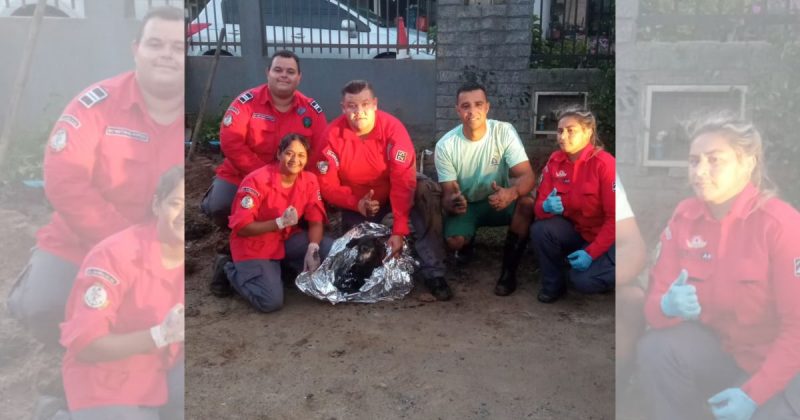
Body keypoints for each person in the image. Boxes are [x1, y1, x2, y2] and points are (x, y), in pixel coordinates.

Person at [7, 6, 185, 348]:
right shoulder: (95, 107)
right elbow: (65, 183)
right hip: (85, 242)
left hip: (165, 250)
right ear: (136, 49)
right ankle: (66, 339)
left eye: (178, 48)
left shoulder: (189, 119)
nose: (166, 55)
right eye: (156, 44)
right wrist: (126, 246)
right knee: (43, 305)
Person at [638, 114, 800, 420]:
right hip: (723, 352)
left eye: (715, 160)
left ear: (748, 163)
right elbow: (653, 307)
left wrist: (754, 395)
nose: (700, 171)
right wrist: (666, 307)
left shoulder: (781, 225)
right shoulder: (685, 218)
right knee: (656, 349)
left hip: (781, 364)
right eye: (693, 160)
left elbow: (797, 331)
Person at [60, 166, 185, 420]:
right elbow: (86, 345)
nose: (183, 214)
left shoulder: (186, 255)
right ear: (156, 205)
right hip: (109, 379)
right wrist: (159, 335)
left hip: (163, 369)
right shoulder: (115, 255)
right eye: (175, 203)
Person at [201, 50, 327, 297]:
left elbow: (319, 150)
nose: (283, 75)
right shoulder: (246, 103)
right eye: (278, 70)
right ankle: (237, 250)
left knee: (310, 211)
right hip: (242, 175)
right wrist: (265, 177)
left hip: (291, 179)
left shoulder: (311, 110)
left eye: (290, 72)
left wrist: (298, 185)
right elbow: (232, 144)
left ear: (299, 77)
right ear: (267, 72)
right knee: (221, 205)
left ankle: (282, 258)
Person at [313, 80, 450, 300]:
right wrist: (355, 202)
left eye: (365, 104)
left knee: (425, 190)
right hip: (357, 201)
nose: (359, 112)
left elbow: (403, 181)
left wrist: (399, 228)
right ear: (343, 107)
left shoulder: (393, 129)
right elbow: (327, 185)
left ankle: (434, 271)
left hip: (393, 190)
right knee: (359, 262)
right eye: (352, 106)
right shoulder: (331, 136)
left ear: (375, 104)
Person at [434, 81, 536, 296]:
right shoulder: (446, 144)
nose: (472, 111)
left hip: (500, 201)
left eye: (478, 104)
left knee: (526, 203)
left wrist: (511, 192)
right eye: (465, 106)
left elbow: (527, 175)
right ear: (457, 110)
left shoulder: (504, 132)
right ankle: (466, 243)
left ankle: (509, 271)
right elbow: (448, 193)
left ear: (487, 107)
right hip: (469, 205)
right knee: (454, 241)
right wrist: (454, 201)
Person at [215, 134, 333, 313]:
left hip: (285, 239)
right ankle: (228, 268)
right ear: (279, 154)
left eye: (301, 155)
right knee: (270, 302)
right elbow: (242, 228)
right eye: (289, 153)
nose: (295, 160)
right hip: (254, 244)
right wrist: (278, 223)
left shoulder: (309, 180)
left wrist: (313, 247)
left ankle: (280, 269)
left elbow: (316, 221)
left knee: (328, 248)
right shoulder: (256, 181)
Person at [530, 106, 615, 303]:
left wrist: (591, 253)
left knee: (583, 281)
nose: (563, 136)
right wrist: (545, 207)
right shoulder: (555, 161)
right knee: (541, 229)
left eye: (571, 130)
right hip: (578, 232)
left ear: (588, 132)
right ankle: (553, 285)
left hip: (605, 237)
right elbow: (538, 207)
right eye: (560, 131)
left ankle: (622, 270)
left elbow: (614, 220)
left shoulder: (605, 164)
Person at [614, 174, 647, 392]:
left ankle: (624, 378)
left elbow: (634, 246)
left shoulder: (608, 174)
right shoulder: (686, 213)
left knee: (632, 299)